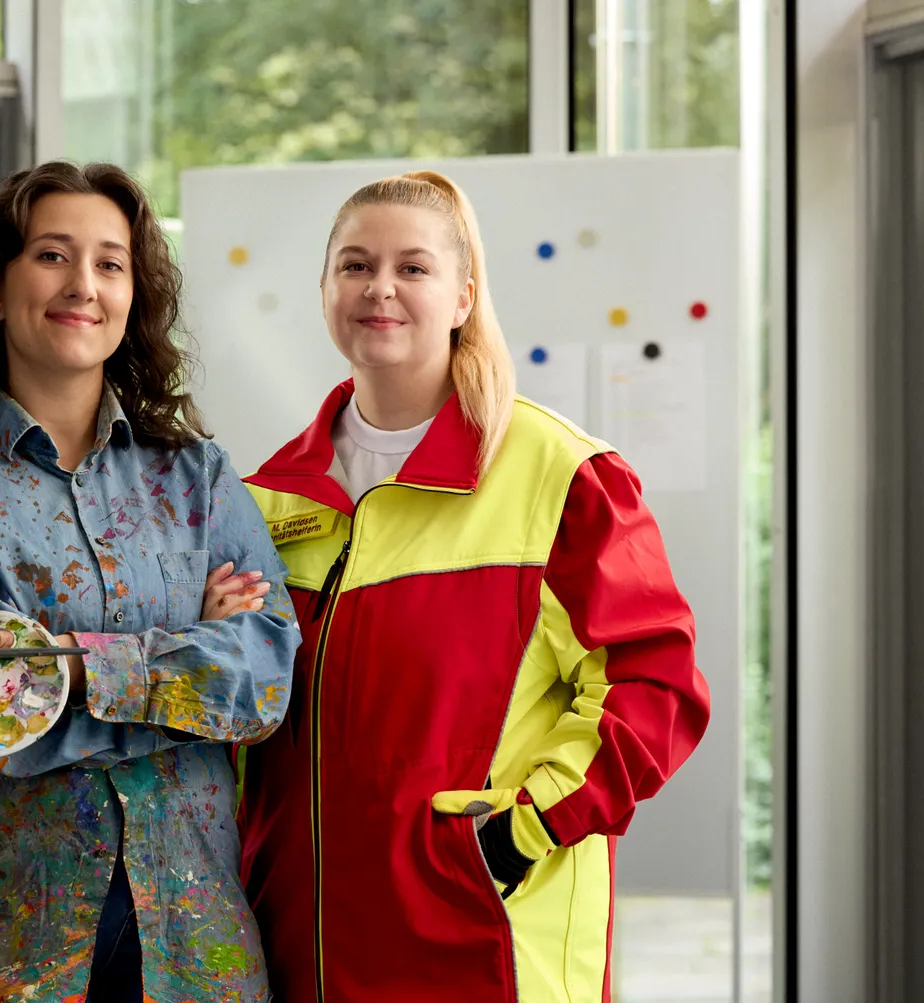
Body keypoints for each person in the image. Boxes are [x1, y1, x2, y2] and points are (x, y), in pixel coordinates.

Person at [234, 170, 712, 1003]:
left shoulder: (564, 476)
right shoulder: (267, 497)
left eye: (413, 268)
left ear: (463, 295)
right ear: (324, 291)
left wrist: (521, 833)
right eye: (355, 265)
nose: (380, 287)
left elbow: (655, 687)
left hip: (482, 946)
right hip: (302, 951)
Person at [0, 160, 299, 1003]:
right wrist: (184, 668)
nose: (83, 285)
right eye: (52, 255)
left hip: (190, 942)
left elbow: (264, 679)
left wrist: (63, 665)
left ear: (134, 295)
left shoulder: (197, 477)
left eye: (111, 262)